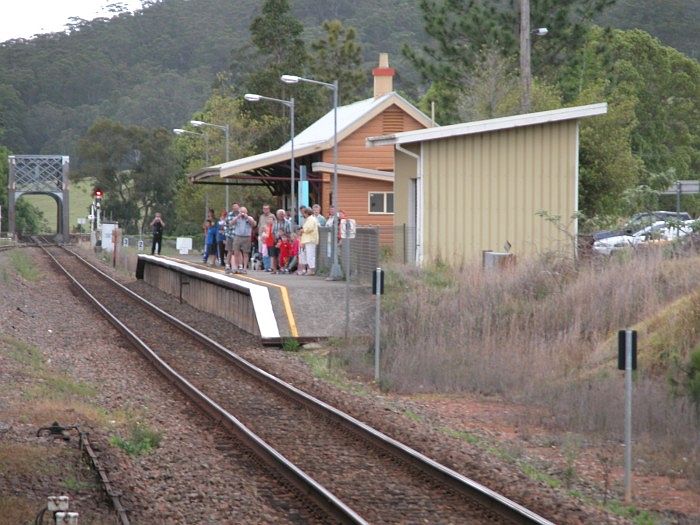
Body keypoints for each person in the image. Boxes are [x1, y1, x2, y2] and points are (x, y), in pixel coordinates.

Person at [229, 206, 256, 274]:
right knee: (236, 252)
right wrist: (238, 217)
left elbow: (253, 224)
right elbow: (231, 223)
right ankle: (237, 267)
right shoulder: (237, 218)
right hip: (237, 236)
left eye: (244, 212)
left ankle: (244, 268)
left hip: (246, 237)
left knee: (245, 253)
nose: (242, 213)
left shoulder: (249, 218)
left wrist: (247, 217)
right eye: (241, 212)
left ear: (246, 212)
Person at [298, 207, 319, 276]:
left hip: (310, 239)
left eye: (304, 213)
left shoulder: (311, 219)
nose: (303, 215)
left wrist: (302, 230)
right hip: (308, 239)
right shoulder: (310, 219)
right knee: (308, 255)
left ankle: (312, 270)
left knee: (310, 255)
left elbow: (309, 228)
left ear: (307, 213)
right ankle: (310, 269)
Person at [257, 204, 274, 271]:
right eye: (264, 209)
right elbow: (259, 225)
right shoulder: (261, 216)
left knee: (268, 252)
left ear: (269, 209)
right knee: (261, 251)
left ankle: (269, 266)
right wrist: (259, 235)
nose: (265, 210)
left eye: (267, 209)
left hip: (269, 237)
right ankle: (263, 265)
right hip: (261, 236)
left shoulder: (272, 216)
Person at [224, 202, 240, 272]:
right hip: (230, 235)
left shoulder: (241, 214)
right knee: (229, 251)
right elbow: (227, 224)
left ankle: (238, 265)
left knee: (238, 251)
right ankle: (227, 265)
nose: (235, 208)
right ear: (232, 208)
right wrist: (226, 234)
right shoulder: (229, 215)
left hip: (238, 236)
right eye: (234, 207)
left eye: (236, 206)